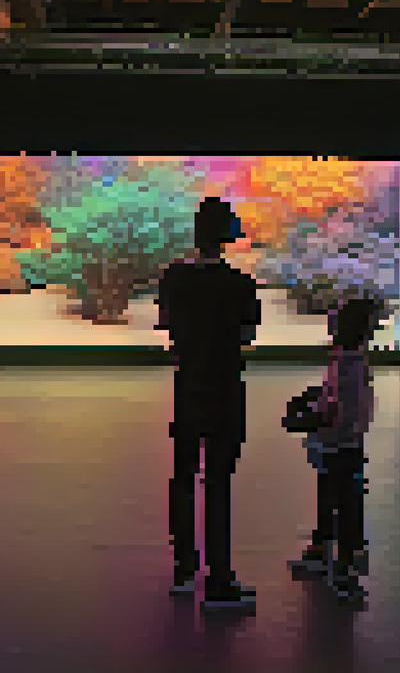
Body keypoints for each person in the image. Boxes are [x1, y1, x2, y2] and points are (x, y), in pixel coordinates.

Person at [156, 196, 262, 612]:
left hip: (188, 387)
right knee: (218, 481)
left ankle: (184, 568)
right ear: (227, 237)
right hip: (225, 389)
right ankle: (220, 575)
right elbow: (246, 336)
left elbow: (167, 326)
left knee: (183, 476)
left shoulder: (172, 279)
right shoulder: (241, 284)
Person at [289, 297, 379, 607]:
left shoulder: (347, 363)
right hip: (341, 444)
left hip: (340, 445)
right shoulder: (348, 359)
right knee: (335, 501)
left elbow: (342, 409)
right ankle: (325, 554)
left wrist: (309, 418)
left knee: (342, 504)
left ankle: (345, 571)